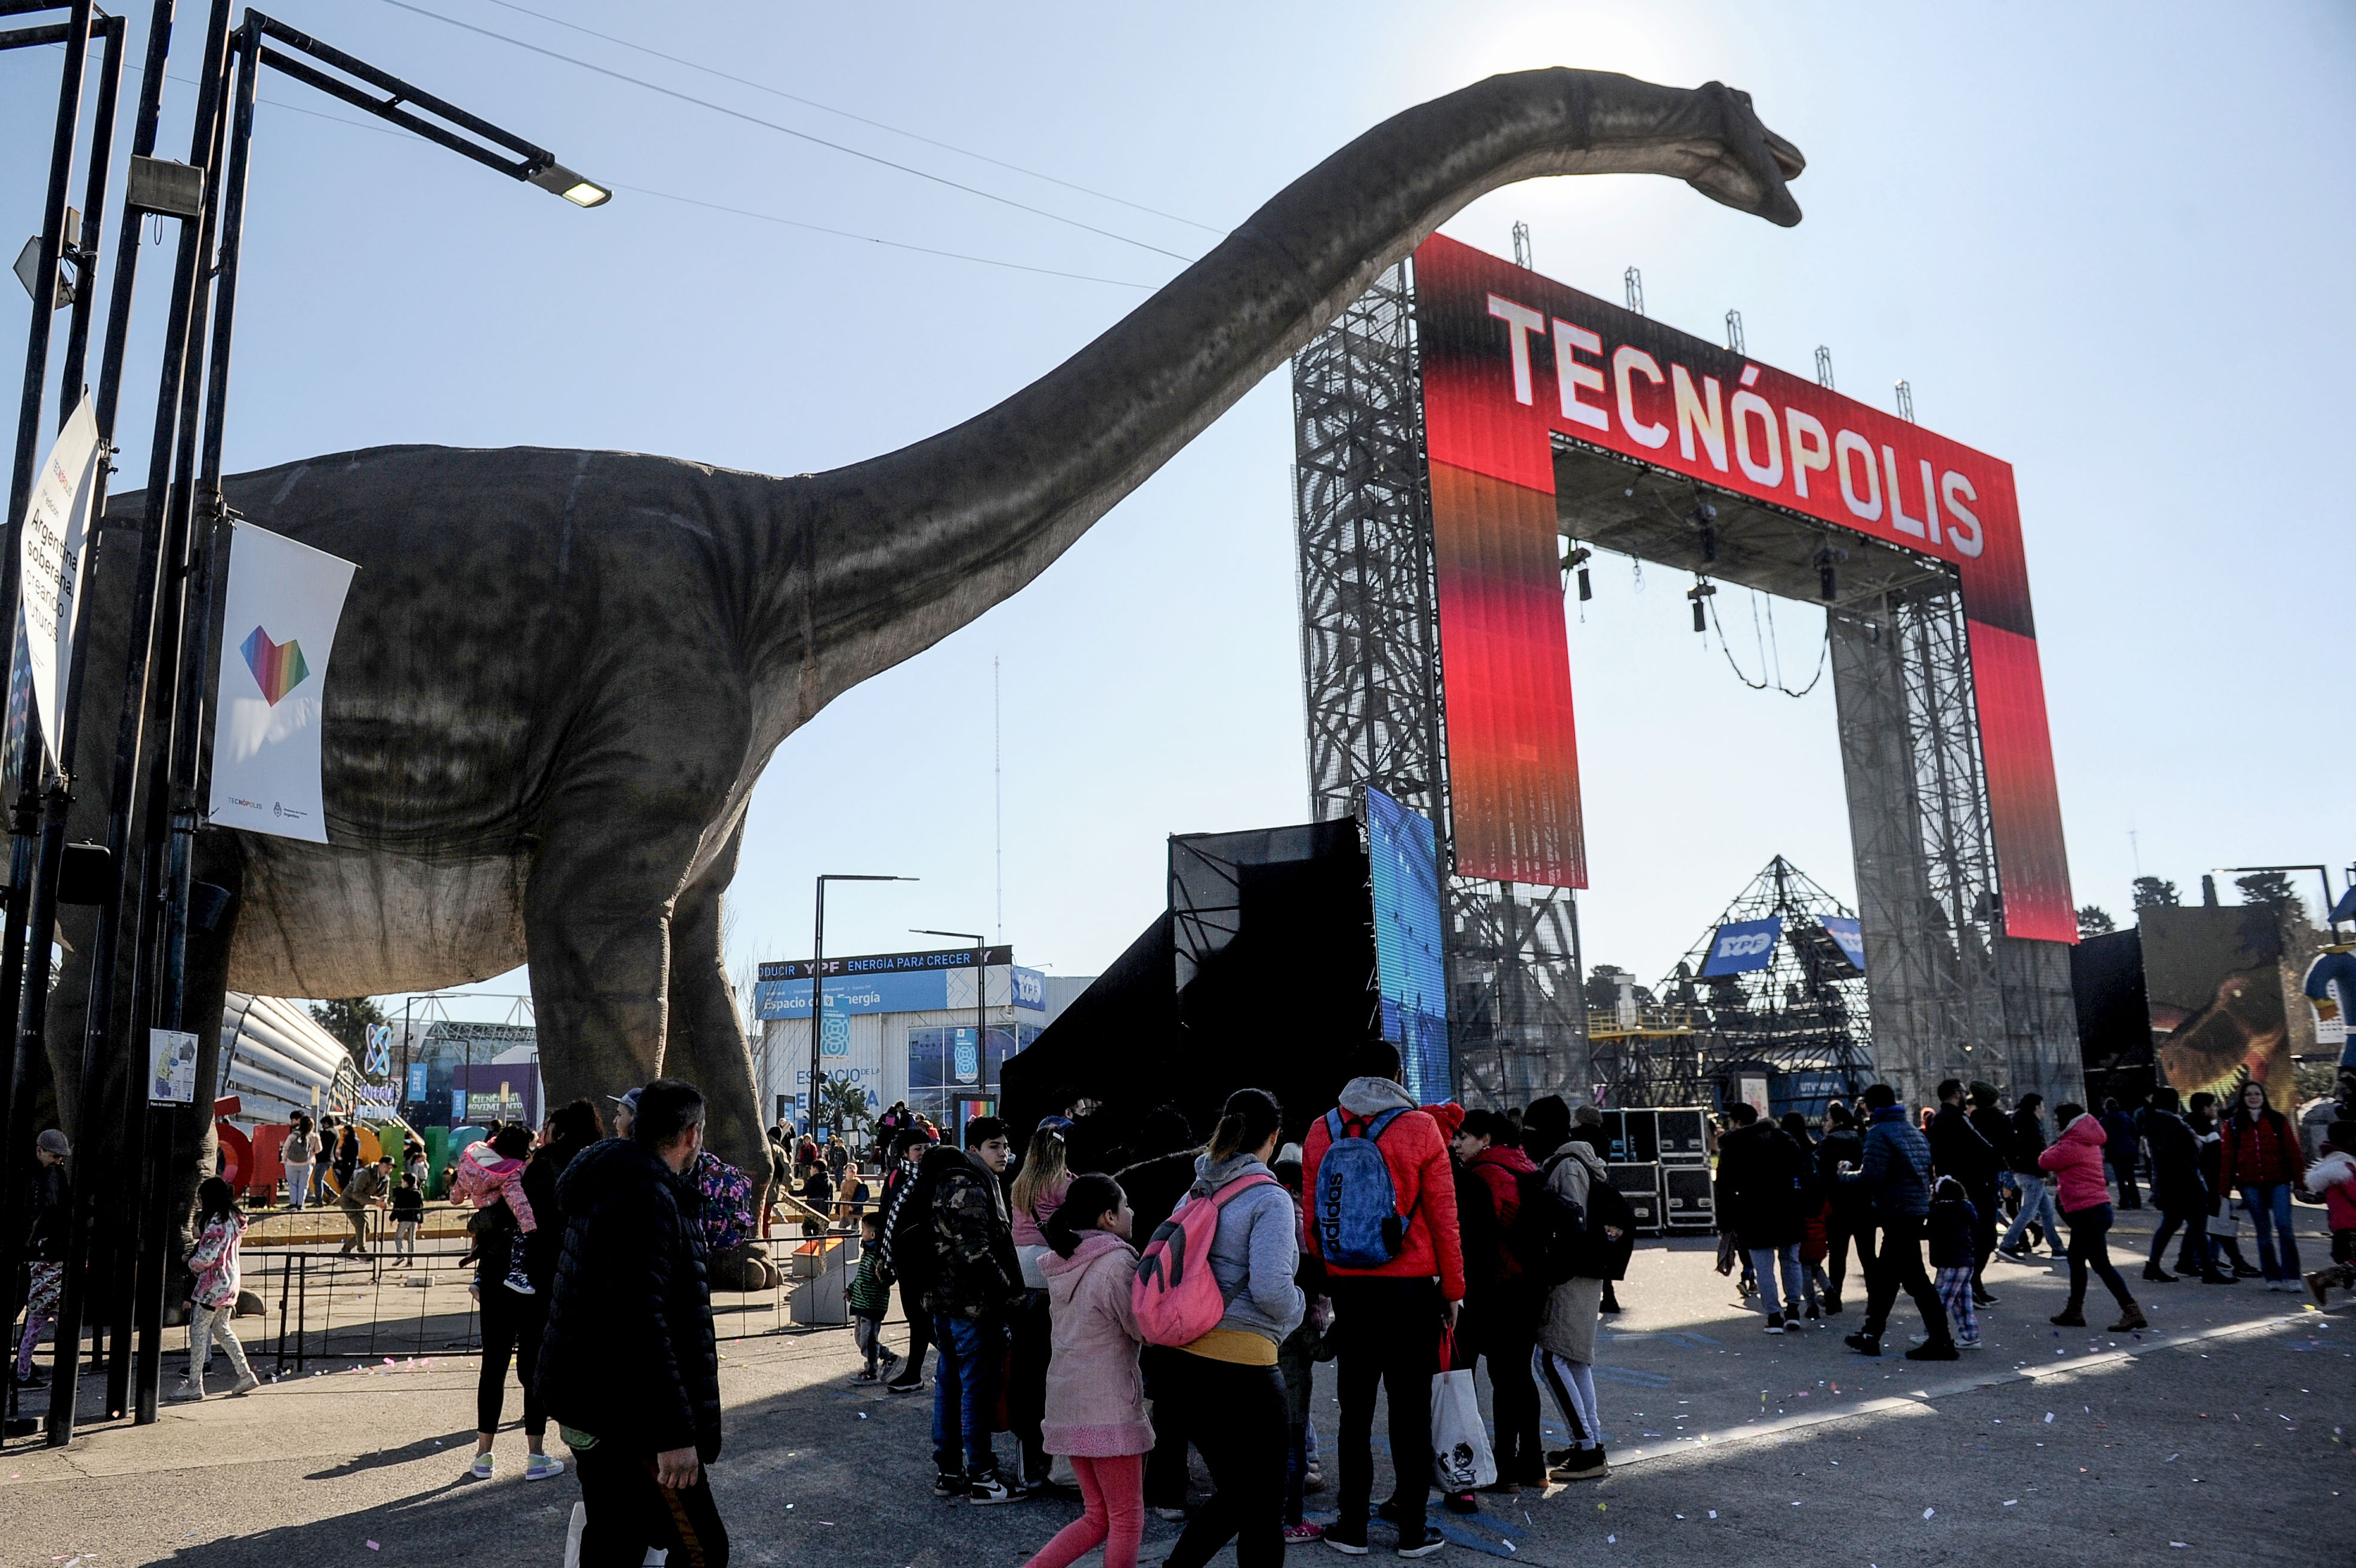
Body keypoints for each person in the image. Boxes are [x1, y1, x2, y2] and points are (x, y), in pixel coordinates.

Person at [538, 1078, 726, 1567]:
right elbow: (639, 1324)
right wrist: (673, 1435)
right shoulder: (645, 1194)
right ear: (691, 1135)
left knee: (618, 1540)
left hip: (597, 1400)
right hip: (629, 1417)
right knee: (701, 1550)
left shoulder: (616, 1181)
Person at [1300, 1044, 1462, 1557]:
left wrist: (1327, 1277)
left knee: (1354, 1411)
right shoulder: (1420, 1128)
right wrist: (1453, 1289)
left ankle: (1351, 1527)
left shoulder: (1320, 1129)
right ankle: (1413, 1531)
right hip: (1411, 1289)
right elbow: (1443, 1217)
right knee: (1409, 1412)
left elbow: (1312, 1218)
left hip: (1350, 1286)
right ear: (1398, 1074)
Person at [1156, 1089, 1305, 1568]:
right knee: (1260, 1503)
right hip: (1245, 1369)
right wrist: (1301, 1307)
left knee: (1240, 1495)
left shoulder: (1195, 1190)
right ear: (1274, 1138)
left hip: (1184, 1366)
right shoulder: (1270, 1199)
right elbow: (1271, 1290)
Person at [1020, 1172, 1151, 1568]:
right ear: (1108, 1217)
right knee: (1126, 1520)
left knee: (1097, 1516)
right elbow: (1140, 1327)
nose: (1131, 1211)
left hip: (1068, 1402)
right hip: (1108, 1406)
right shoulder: (1116, 1264)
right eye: (1125, 1205)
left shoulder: (1064, 1261)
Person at [473, 1100, 601, 1482]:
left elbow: (498, 1220)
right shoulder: (583, 1171)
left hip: (500, 1276)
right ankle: (535, 1454)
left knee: (493, 1363)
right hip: (542, 1281)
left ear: (558, 1132)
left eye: (547, 1128)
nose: (540, 1134)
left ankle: (483, 1456)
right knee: (533, 1367)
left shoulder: (526, 1170)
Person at [918, 1116, 1022, 1503]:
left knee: (948, 1387)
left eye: (1006, 1147)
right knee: (973, 1392)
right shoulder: (972, 1186)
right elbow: (975, 1252)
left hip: (944, 1305)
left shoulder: (951, 1180)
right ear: (974, 1150)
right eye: (995, 1146)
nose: (1004, 1154)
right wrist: (1008, 1291)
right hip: (971, 1307)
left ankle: (949, 1472)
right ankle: (982, 1476)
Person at [1112, 1104, 1204, 1520]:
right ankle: (1170, 1487)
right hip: (1181, 1295)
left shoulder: (1131, 1176)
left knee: (1143, 1391)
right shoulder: (1194, 1177)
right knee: (1178, 1395)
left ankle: (1146, 1479)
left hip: (1136, 1291)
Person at [1450, 1107, 1543, 1492]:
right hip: (1529, 1288)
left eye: (1463, 1137)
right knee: (1519, 1377)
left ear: (1486, 1139)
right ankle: (1532, 1466)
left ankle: (1499, 1470)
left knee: (1472, 1377)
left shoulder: (1486, 1175)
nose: (1456, 1144)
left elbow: (1483, 1236)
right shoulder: (1527, 1168)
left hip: (1494, 1289)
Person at [1525, 1095, 1613, 1484]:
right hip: (1580, 1272)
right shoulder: (1575, 1160)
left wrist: (1552, 1270)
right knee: (1573, 1357)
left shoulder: (1568, 1165)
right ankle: (1589, 1441)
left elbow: (1571, 1226)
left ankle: (1587, 1446)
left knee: (1550, 1358)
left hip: (1570, 1274)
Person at [1837, 1084, 1956, 1360]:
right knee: (1887, 1279)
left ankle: (1941, 1341)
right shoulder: (1912, 1131)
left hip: (1896, 1212)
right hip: (1913, 1209)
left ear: (1870, 1107)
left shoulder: (1879, 1132)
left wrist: (1844, 1174)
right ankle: (1871, 1336)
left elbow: (1871, 1178)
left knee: (1915, 1282)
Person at [1008, 1121, 1074, 1496]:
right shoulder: (1064, 1183)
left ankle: (1025, 1456)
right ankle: (1056, 1458)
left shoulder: (1021, 1184)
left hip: (1022, 1268)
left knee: (1025, 1364)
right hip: (1052, 1272)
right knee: (1052, 1363)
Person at [2038, 1103, 2146, 1331]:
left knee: (2100, 1263)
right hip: (2095, 1210)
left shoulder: (2071, 1144)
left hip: (2088, 1212)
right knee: (2077, 1260)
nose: (2056, 1124)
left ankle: (2131, 1310)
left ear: (2068, 1121)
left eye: (2058, 1120)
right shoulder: (2088, 1140)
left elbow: (2045, 1161)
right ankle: (2074, 1310)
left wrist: (2054, 1144)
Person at [1271, 1152, 1332, 1542]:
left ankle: (1268, 1515)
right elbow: (1321, 1352)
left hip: (1261, 1357)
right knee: (1290, 1452)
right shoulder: (1297, 1222)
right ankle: (1290, 1521)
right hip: (1291, 1386)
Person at [1714, 1102, 1811, 1333]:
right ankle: (1794, 1311)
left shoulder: (1734, 1145)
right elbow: (1803, 1170)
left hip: (1753, 1211)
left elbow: (1724, 1187)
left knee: (1763, 1266)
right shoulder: (1782, 1138)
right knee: (1791, 1260)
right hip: (1789, 1208)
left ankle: (1774, 1316)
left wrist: (1725, 1223)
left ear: (1736, 1122)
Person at [171, 1177, 260, 1400]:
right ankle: (245, 1374)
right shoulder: (233, 1219)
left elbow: (207, 1256)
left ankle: (195, 1384)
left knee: (199, 1333)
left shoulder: (216, 1223)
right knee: (222, 1330)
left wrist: (191, 1263)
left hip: (212, 1285)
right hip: (230, 1283)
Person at [2219, 1080, 2307, 1291]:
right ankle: (2273, 1276)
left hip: (2279, 1182)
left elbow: (2293, 1153)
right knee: (2263, 1231)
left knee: (2284, 1226)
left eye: (2257, 1093)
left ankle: (2293, 1276)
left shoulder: (2277, 1120)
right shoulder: (2233, 1125)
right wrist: (2223, 1191)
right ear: (2243, 1098)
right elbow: (2227, 1158)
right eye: (2249, 1094)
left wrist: (2300, 1182)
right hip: (2249, 1184)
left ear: (2263, 1096)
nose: (2253, 1097)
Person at [1925, 1079, 2002, 1309]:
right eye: (1964, 1093)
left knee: (1972, 1241)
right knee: (1982, 1238)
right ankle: (1971, 1287)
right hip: (1972, 1188)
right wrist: (1997, 1162)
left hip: (1959, 1188)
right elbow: (1982, 1148)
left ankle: (1971, 1288)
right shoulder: (1955, 1120)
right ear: (1956, 1094)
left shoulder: (1942, 1120)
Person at [2140, 1088, 2223, 1283]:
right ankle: (2209, 1270)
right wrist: (2194, 1176)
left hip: (2170, 1182)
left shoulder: (2156, 1122)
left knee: (2172, 1225)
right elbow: (2183, 1154)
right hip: (2183, 1182)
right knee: (2197, 1225)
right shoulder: (2170, 1123)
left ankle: (2153, 1266)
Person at [11, 1129, 71, 1388]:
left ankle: (23, 1367)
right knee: (42, 1314)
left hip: (39, 1252)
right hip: (44, 1252)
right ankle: (25, 1368)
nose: (58, 1161)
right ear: (40, 1151)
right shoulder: (44, 1176)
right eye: (55, 1156)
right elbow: (48, 1211)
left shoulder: (42, 1175)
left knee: (34, 1315)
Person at [456, 1123, 541, 1294]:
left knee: (485, 1236)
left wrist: (456, 1197)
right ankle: (516, 1274)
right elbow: (517, 1200)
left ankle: (479, 1278)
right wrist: (529, 1225)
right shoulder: (509, 1170)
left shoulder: (479, 1160)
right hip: (502, 1215)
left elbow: (460, 1186)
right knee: (519, 1234)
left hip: (483, 1210)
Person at [2188, 1093, 2260, 1279]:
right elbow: (2214, 1161)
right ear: (2205, 1108)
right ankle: (2237, 1263)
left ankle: (2191, 1259)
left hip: (2201, 1184)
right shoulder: (2207, 1131)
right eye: (2213, 1106)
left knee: (2200, 1224)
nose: (2216, 1109)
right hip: (2210, 1184)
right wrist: (2222, 1187)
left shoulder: (2190, 1125)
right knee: (2222, 1223)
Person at [1996, 1095, 2064, 1262]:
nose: (2044, 1110)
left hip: (2021, 1172)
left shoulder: (2017, 1121)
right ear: (2036, 1107)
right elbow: (2036, 1151)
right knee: (2029, 1211)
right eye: (2042, 1105)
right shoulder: (2031, 1124)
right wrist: (2042, 1172)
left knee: (2046, 1212)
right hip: (2032, 1173)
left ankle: (2057, 1247)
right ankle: (2008, 1244)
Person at [1816, 1103, 1869, 1316]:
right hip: (1862, 1204)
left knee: (1838, 1255)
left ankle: (1834, 1297)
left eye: (1827, 1120)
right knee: (1868, 1255)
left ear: (1836, 1122)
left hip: (1837, 1206)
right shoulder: (1860, 1139)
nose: (1825, 1124)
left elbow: (1821, 1174)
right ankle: (1874, 1299)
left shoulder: (1828, 1143)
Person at [1569, 1106, 1623, 1315]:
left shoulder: (1576, 1139)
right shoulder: (1604, 1138)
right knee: (1603, 1244)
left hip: (1583, 1192)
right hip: (1603, 1194)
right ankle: (1609, 1295)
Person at [1965, 1084, 2014, 1301]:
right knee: (1987, 1236)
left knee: (1974, 1235)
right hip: (1989, 1181)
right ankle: (1974, 1283)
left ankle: (1972, 1283)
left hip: (1970, 1182)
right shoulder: (2001, 1120)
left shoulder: (1970, 1120)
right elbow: (2012, 1149)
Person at [2300, 1119, 2356, 1307]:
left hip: (2343, 1224)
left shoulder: (2334, 1165)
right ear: (2349, 1141)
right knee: (2353, 1265)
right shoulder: (2344, 1168)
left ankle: (2326, 1280)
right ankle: (2321, 1280)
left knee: (2352, 1262)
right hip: (2352, 1224)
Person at [1925, 1175, 1981, 1349]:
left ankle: (1934, 1335)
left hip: (1950, 1262)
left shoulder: (1940, 1211)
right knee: (1962, 1301)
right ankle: (1971, 1335)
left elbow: (1929, 1231)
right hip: (1965, 1261)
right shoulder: (1965, 1208)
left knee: (1941, 1300)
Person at [848, 1212, 902, 1381]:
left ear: (872, 1235)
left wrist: (883, 1273)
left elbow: (885, 1280)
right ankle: (888, 1357)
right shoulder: (867, 1254)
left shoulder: (879, 1258)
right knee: (860, 1339)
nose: (861, 1234)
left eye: (863, 1230)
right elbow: (861, 1276)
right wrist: (851, 1289)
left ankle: (871, 1371)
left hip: (871, 1305)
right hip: (861, 1302)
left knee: (868, 1341)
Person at [339, 1153, 392, 1257]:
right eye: (386, 1166)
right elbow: (356, 1193)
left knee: (367, 1230)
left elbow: (385, 1193)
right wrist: (375, 1202)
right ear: (380, 1164)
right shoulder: (366, 1174)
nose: (388, 1170)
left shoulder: (386, 1179)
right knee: (361, 1223)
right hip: (349, 1200)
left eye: (391, 1168)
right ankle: (362, 1252)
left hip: (362, 1203)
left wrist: (384, 1199)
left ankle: (346, 1250)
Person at [2099, 1098, 2144, 1209]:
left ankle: (2124, 1202)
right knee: (2131, 1177)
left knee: (2120, 1178)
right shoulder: (2127, 1118)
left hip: (2114, 1151)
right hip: (2129, 1149)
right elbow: (2135, 1132)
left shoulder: (2104, 1121)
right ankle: (2136, 1201)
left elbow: (2102, 1137)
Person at [282, 1113, 317, 1209]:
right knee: (303, 1185)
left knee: (293, 1184)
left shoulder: (293, 1135)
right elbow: (319, 1149)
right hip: (307, 1163)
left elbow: (286, 1148)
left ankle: (293, 1203)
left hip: (291, 1163)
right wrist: (311, 1153)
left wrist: (284, 1160)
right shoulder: (314, 1136)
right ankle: (300, 1205)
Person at [391, 1171, 424, 1259]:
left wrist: (392, 1219)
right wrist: (421, 1221)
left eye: (402, 1182)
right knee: (411, 1240)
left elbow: (397, 1207)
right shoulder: (418, 1193)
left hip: (404, 1219)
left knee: (398, 1238)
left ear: (406, 1183)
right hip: (414, 1220)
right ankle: (411, 1259)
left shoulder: (401, 1193)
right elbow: (421, 1208)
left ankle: (400, 1255)